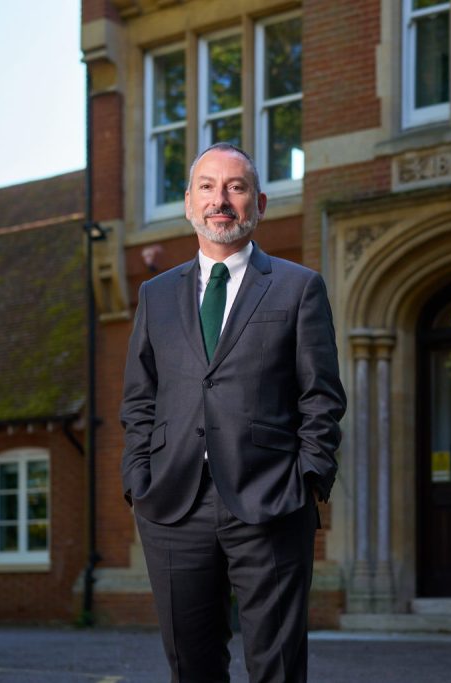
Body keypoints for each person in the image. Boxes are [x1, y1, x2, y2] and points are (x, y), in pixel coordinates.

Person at [120, 142, 346, 682]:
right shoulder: (155, 295)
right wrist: (138, 479)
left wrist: (309, 478)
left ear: (259, 204)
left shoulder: (298, 287)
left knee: (278, 666)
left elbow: (322, 395)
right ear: (189, 203)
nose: (220, 199)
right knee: (191, 666)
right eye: (207, 187)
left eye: (236, 187)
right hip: (172, 504)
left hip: (270, 501)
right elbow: (139, 398)